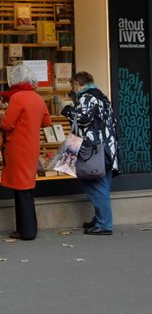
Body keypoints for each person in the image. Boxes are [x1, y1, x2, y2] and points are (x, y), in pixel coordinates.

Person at [61, 71, 120, 236]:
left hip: (92, 149)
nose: (73, 90)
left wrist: (67, 111)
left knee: (94, 184)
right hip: (106, 147)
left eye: (73, 86)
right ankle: (100, 218)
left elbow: (84, 119)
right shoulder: (101, 96)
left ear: (78, 84)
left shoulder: (87, 97)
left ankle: (104, 224)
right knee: (103, 183)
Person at [0, 64, 51, 241]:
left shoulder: (17, 98)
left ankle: (26, 230)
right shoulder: (37, 98)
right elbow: (46, 122)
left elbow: (6, 124)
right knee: (25, 189)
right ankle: (25, 228)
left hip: (17, 147)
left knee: (21, 190)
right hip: (32, 146)